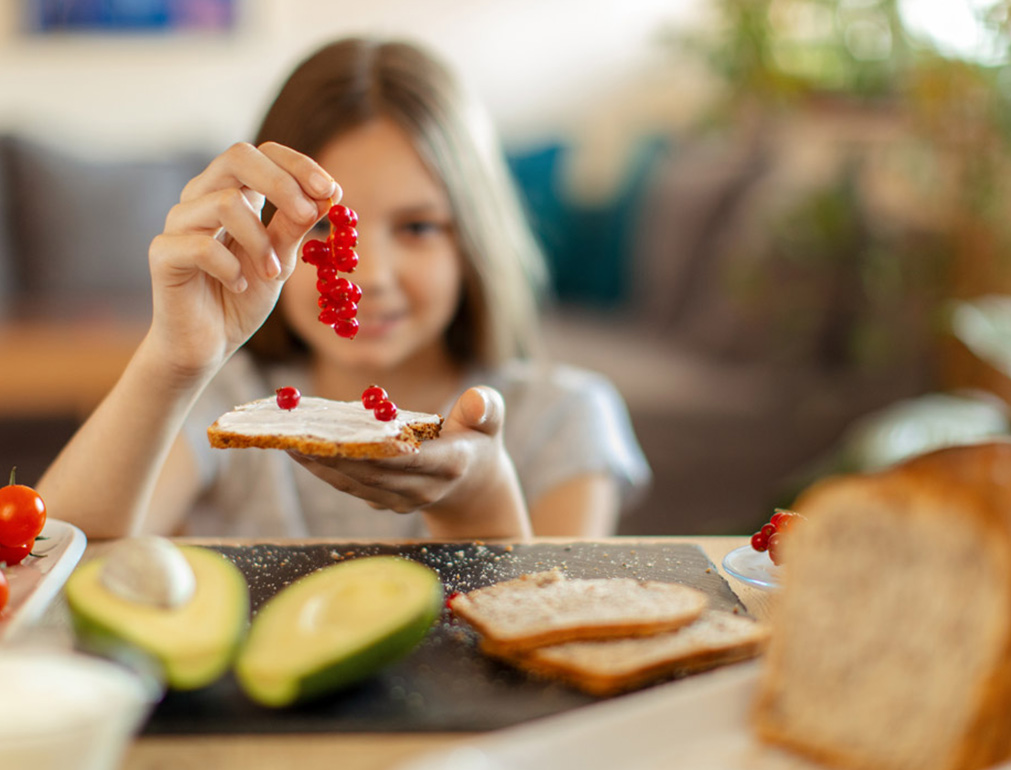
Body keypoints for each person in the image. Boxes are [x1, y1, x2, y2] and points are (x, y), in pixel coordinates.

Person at [37, 37, 649, 542]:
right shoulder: (227, 404)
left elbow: (549, 643)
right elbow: (44, 564)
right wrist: (173, 361)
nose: (369, 276)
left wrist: (480, 503)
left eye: (417, 227)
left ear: (474, 241)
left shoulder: (565, 418)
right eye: (324, 226)